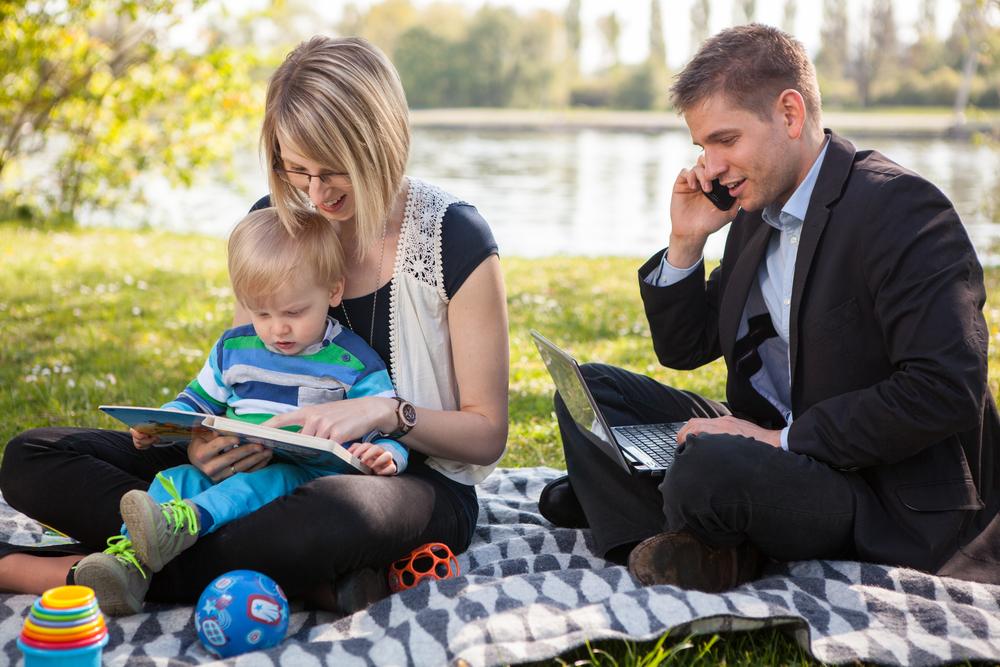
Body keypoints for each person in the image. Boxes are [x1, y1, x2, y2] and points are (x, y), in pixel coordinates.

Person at [0, 36, 509, 613]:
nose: (315, 194)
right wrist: (205, 445)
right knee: (32, 457)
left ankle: (68, 571)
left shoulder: (454, 238)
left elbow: (487, 433)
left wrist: (386, 411)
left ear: (382, 146)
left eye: (334, 172)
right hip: (257, 470)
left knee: (324, 518)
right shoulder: (273, 222)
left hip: (403, 479)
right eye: (297, 171)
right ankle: (297, 580)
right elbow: (243, 369)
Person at [539, 24, 1000, 591]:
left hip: (874, 487)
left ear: (789, 113)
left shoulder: (902, 210)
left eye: (725, 140)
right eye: (702, 147)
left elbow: (944, 389)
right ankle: (683, 533)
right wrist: (686, 243)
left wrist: (779, 442)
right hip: (772, 445)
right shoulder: (755, 211)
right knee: (589, 393)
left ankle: (655, 514)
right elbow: (685, 349)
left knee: (709, 468)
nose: (710, 167)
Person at [72, 207, 408, 615]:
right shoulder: (234, 349)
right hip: (233, 461)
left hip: (303, 476)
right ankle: (128, 564)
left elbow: (383, 429)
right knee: (171, 479)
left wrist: (387, 456)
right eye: (261, 313)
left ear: (333, 291)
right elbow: (197, 400)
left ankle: (187, 524)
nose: (277, 329)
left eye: (294, 313)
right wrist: (159, 422)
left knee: (265, 481)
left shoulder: (355, 362)